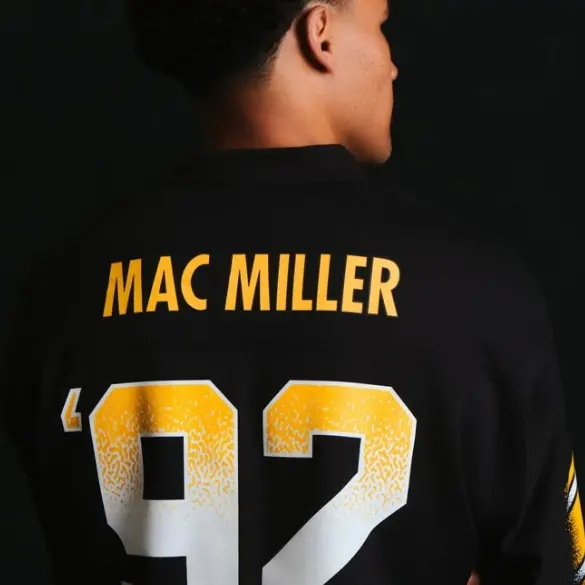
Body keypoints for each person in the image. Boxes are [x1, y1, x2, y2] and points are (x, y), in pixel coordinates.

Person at [0, 0, 582, 583]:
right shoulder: (475, 288)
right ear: (320, 33)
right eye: (380, 26)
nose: (392, 64)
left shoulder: (60, 293)